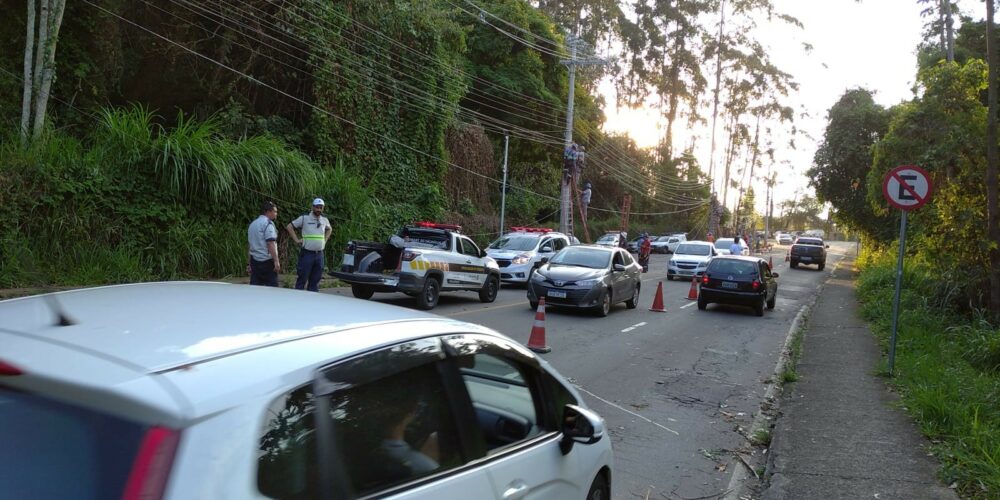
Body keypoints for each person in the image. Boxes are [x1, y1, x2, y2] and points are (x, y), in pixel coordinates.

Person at [286, 198, 333, 292]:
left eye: (321, 207)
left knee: (315, 280)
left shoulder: (324, 220)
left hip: (319, 254)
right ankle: (298, 298)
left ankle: (312, 298)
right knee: (302, 278)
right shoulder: (304, 218)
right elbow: (289, 227)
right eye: (317, 207)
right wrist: (296, 240)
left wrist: (325, 240)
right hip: (307, 254)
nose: (319, 209)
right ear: (312, 207)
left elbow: (329, 229)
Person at [248, 201, 280, 286]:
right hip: (267, 262)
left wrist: (249, 263)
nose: (276, 214)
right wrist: (276, 261)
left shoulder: (252, 224)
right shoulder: (268, 224)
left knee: (255, 288)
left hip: (254, 261)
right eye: (275, 211)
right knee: (272, 289)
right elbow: (270, 243)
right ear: (268, 212)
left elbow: (250, 245)